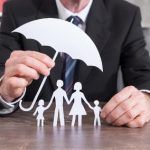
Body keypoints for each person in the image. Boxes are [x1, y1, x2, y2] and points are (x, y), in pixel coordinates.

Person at [0, 0, 150, 128]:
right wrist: (4, 92)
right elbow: (2, 70)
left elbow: (143, 75)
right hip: (31, 129)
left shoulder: (126, 14)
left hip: (98, 129)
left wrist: (145, 98)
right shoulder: (16, 10)